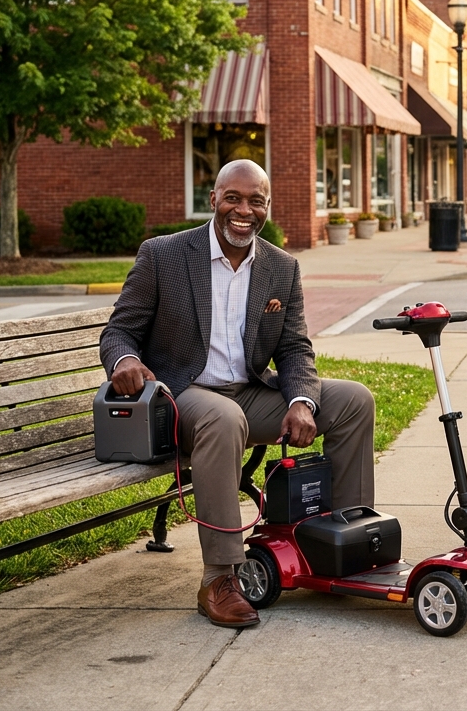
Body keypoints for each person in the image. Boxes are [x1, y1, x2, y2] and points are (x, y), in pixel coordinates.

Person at [100, 159, 375, 628]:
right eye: (233, 198)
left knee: (353, 400)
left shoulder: (280, 266)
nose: (243, 210)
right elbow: (118, 331)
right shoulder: (163, 254)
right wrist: (124, 361)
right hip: (182, 396)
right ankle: (219, 576)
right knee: (223, 418)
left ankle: (342, 544)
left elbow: (293, 347)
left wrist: (301, 401)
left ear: (267, 206)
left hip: (247, 393)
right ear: (213, 200)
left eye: (255, 200)